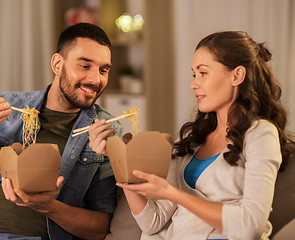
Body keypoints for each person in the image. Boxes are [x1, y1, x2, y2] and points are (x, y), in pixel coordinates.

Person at [88, 31, 295, 240]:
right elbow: (152, 222)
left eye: (203, 73)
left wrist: (172, 193)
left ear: (237, 75)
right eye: (194, 74)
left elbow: (251, 226)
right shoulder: (191, 138)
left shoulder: (260, 134)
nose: (194, 84)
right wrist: (119, 159)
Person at [0, 22, 123, 240]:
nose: (95, 79)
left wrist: (48, 207)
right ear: (57, 64)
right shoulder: (7, 104)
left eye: (103, 70)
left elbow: (100, 228)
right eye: (84, 66)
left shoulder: (106, 130)